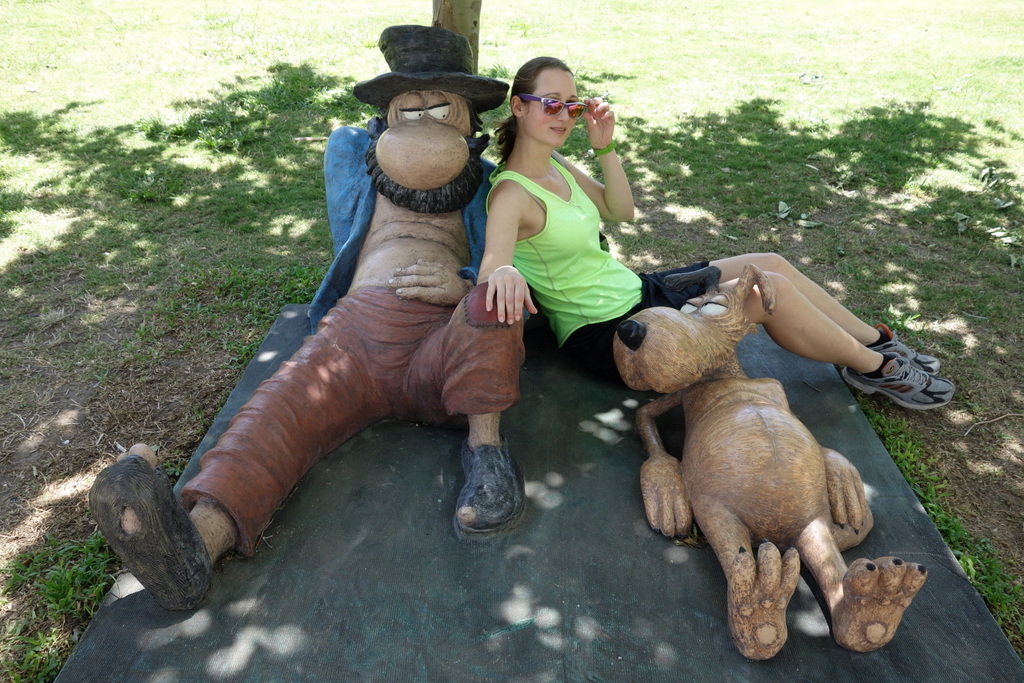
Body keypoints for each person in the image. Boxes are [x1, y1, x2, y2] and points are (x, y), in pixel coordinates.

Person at [89, 26, 527, 612]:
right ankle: (195, 545)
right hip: (358, 332)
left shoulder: (494, 184)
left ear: (470, 120)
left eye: (441, 109)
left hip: (443, 346)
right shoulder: (358, 158)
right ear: (385, 120)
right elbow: (352, 148)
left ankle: (488, 452)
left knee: (497, 299)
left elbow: (519, 257)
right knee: (280, 409)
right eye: (409, 109)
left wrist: (466, 284)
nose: (424, 121)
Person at [479, 56, 954, 410]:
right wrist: (504, 272)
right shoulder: (512, 194)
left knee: (769, 263)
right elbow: (492, 267)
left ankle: (876, 341)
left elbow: (620, 210)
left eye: (574, 105)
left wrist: (605, 148)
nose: (564, 116)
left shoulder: (556, 163)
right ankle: (877, 371)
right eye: (551, 104)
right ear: (518, 107)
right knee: (768, 290)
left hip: (640, 292)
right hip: (615, 334)